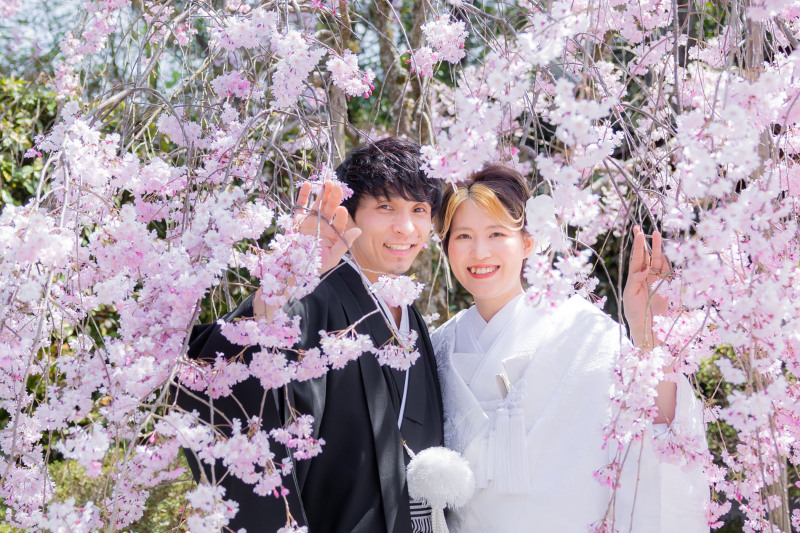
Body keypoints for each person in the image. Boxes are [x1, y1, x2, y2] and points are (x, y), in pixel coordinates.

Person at [174, 137, 445, 533]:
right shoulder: (316, 297)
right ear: (349, 215)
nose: (405, 227)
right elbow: (218, 377)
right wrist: (274, 301)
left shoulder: (412, 320)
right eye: (385, 207)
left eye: (419, 210)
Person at [431, 165, 709, 532]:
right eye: (463, 236)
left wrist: (648, 338)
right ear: (447, 246)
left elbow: (649, 429)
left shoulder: (580, 330)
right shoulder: (438, 345)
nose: (479, 251)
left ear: (527, 242)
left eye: (496, 233)